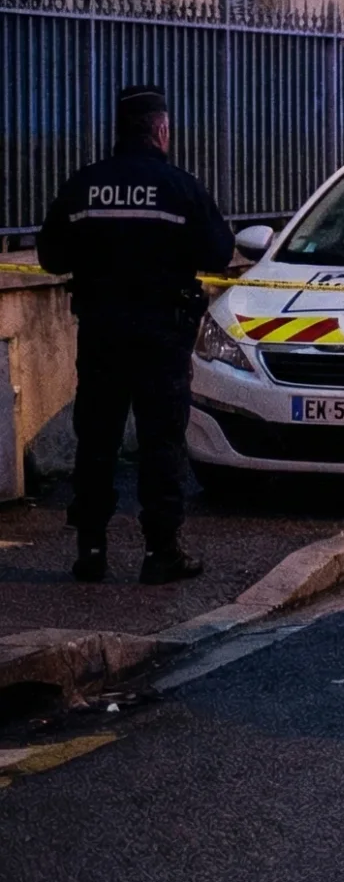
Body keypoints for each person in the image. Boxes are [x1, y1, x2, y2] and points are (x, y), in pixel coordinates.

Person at [37, 86, 234, 584]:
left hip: (101, 334)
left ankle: (91, 549)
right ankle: (161, 552)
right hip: (161, 336)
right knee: (160, 442)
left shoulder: (84, 185)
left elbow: (51, 257)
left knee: (96, 439)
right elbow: (218, 253)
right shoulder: (179, 187)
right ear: (161, 130)